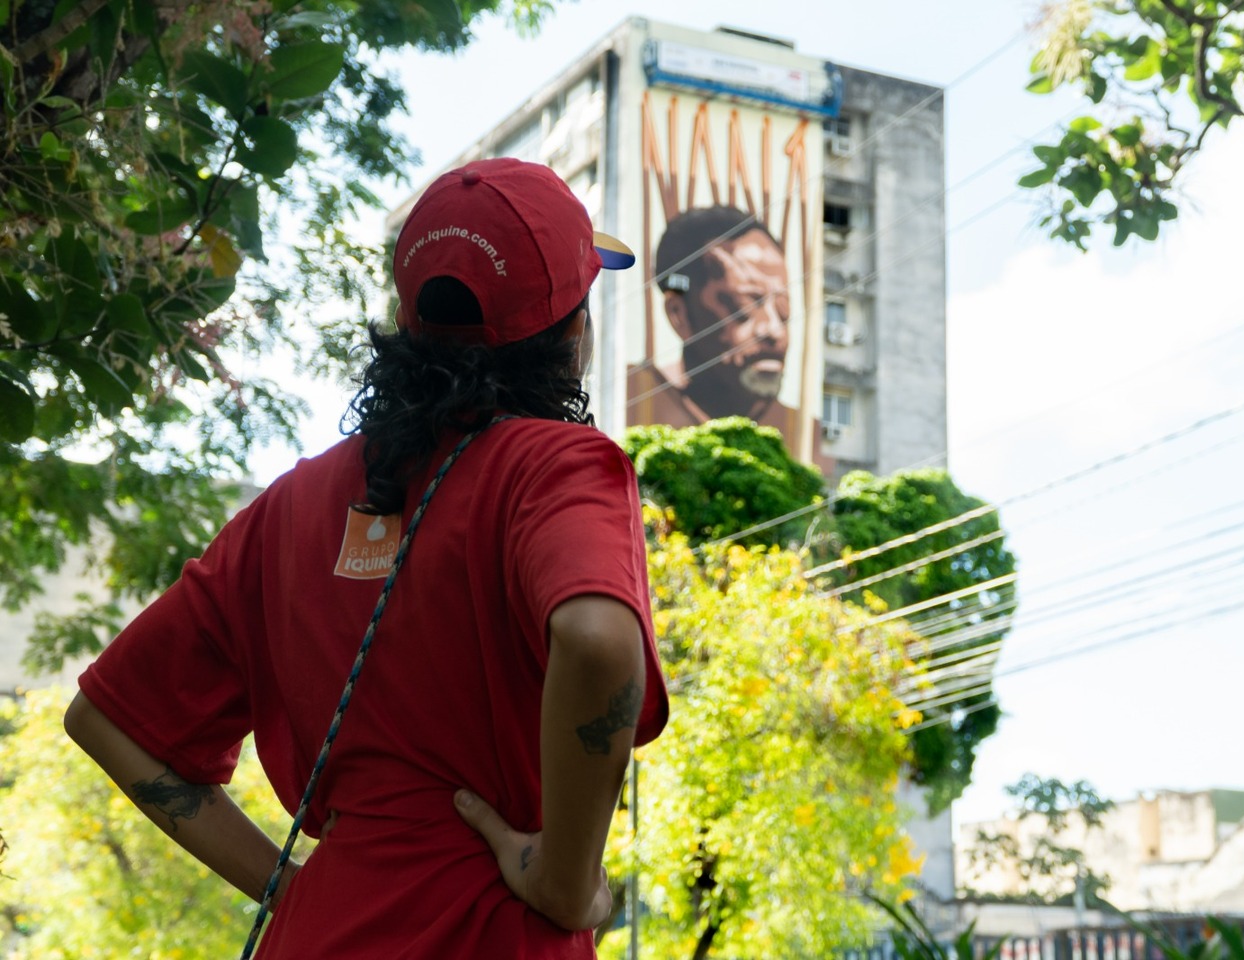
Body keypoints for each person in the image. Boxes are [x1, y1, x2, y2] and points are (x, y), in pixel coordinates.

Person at [63, 158, 669, 957]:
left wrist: (290, 888)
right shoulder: (558, 467)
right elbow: (598, 640)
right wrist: (563, 875)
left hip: (320, 925)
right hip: (488, 932)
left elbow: (105, 717)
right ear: (571, 331)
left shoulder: (291, 504)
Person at [626, 205, 802, 434]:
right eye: (744, 308)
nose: (774, 331)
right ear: (679, 314)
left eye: (782, 310)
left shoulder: (794, 429)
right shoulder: (633, 397)